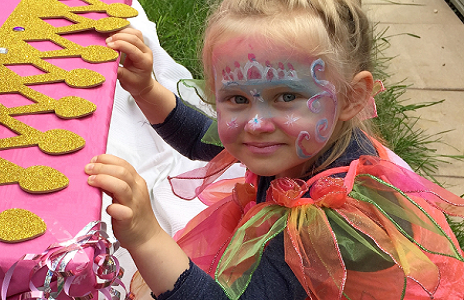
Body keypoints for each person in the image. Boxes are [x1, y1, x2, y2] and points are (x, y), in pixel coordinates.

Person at [85, 0, 464, 299]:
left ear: (353, 97)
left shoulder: (325, 223)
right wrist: (147, 90)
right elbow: (209, 139)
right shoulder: (305, 140)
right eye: (236, 98)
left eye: (286, 96)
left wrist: (147, 236)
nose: (256, 123)